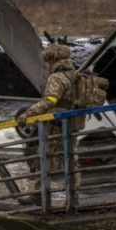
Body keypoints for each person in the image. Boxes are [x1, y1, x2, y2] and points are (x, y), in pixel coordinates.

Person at [19, 43, 81, 193]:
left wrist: (28, 114)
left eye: (48, 62)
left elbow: (50, 101)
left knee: (44, 158)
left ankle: (39, 195)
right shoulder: (76, 75)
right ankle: (74, 194)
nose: (47, 66)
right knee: (71, 159)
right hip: (74, 122)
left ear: (52, 60)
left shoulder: (57, 77)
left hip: (56, 124)